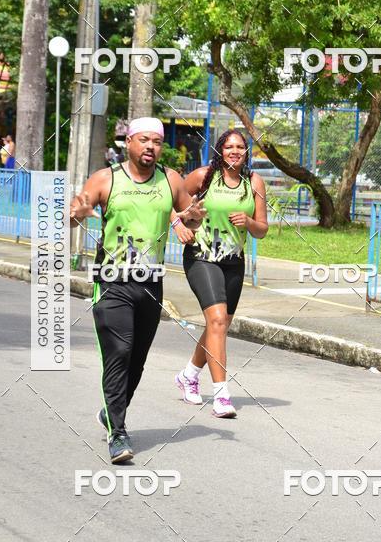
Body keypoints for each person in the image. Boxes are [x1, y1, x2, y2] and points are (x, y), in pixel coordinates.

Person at [69, 117, 204, 464]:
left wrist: (193, 218)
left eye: (156, 142)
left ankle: (110, 411)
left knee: (137, 360)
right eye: (144, 140)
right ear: (128, 142)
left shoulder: (170, 180)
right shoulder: (106, 179)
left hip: (151, 283)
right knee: (119, 351)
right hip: (111, 280)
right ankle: (118, 432)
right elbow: (71, 215)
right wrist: (76, 212)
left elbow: (190, 215)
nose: (150, 147)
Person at [173, 130, 268, 418]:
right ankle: (221, 395)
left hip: (233, 262)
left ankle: (189, 375)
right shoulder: (204, 177)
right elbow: (171, 200)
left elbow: (262, 230)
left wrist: (248, 221)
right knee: (216, 320)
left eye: (240, 147)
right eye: (229, 146)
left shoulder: (254, 182)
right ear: (220, 150)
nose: (235, 151)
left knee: (219, 325)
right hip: (201, 257)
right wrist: (178, 224)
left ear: (246, 152)